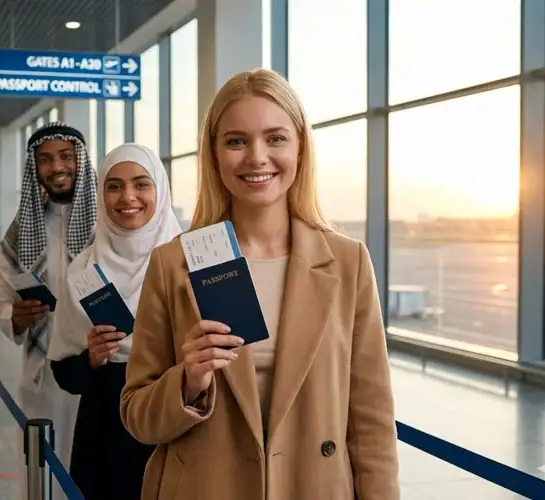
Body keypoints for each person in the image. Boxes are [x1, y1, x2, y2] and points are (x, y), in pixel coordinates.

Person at [119, 69, 400, 500]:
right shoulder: (174, 264)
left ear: (301, 148)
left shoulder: (348, 264)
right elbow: (137, 417)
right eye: (236, 141)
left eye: (275, 138)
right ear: (214, 155)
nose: (256, 157)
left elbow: (372, 423)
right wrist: (188, 381)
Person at [47, 143, 182, 499]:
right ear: (100, 194)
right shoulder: (83, 271)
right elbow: (64, 374)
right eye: (114, 186)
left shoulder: (188, 263)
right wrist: (91, 358)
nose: (128, 197)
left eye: (141, 184)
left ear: (161, 191)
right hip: (107, 435)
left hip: (179, 426)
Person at [0, 121, 98, 498]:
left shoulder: (112, 223)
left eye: (66, 156)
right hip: (42, 376)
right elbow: (5, 302)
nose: (57, 167)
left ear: (81, 161)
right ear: (35, 168)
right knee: (42, 471)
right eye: (46, 159)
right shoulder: (22, 229)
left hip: (99, 369)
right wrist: (14, 317)